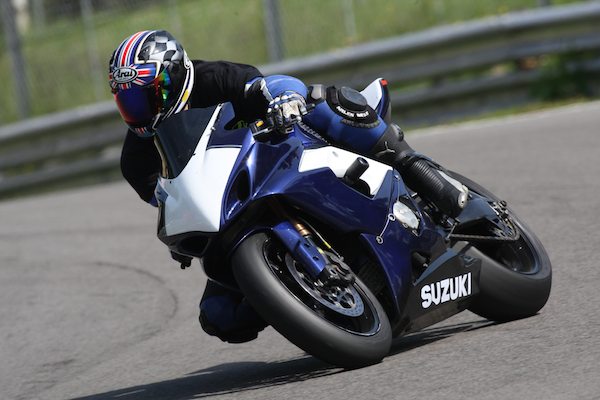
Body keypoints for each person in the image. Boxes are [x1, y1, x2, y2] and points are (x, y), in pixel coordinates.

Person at [110, 30, 468, 343]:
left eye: (144, 96)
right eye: (127, 101)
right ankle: (303, 300)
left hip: (284, 154)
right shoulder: (135, 160)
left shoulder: (213, 78)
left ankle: (417, 167)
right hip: (233, 206)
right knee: (218, 315)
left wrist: (285, 99)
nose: (138, 109)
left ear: (173, 77)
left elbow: (266, 84)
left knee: (324, 101)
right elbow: (167, 197)